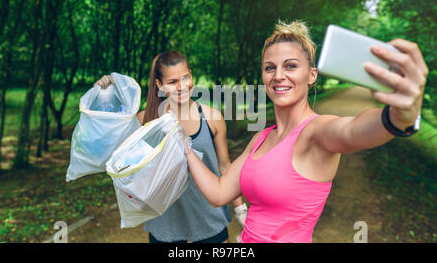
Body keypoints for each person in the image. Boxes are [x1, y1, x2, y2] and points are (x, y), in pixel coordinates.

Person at [178, 20, 428, 243]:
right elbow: (219, 194)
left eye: (290, 66)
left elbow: (352, 131)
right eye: (269, 68)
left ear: (311, 75)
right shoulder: (261, 138)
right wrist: (185, 147)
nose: (278, 76)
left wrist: (400, 116)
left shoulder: (316, 132)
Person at [95, 51, 248, 243]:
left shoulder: (212, 118)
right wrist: (104, 98)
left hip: (209, 218)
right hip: (166, 222)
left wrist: (240, 209)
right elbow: (108, 147)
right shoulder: (145, 120)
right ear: (159, 84)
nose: (182, 86)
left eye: (186, 77)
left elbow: (225, 167)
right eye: (173, 81)